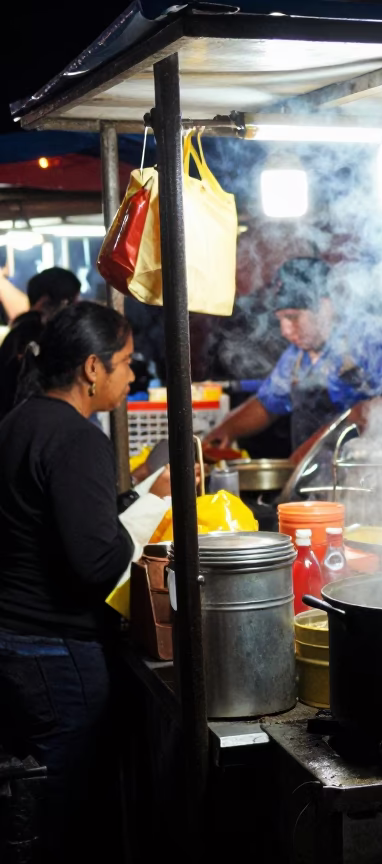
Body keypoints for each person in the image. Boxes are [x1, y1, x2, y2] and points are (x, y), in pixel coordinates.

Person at [0, 303, 172, 859]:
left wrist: (136, 499)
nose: (131, 376)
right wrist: (149, 508)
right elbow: (96, 563)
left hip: (15, 643)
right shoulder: (77, 438)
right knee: (62, 811)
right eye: (124, 363)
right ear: (92, 368)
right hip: (57, 655)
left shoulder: (18, 421)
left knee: (29, 802)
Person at [205, 257, 382, 460]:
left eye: (293, 317)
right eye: (281, 319)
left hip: (365, 473)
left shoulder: (368, 339)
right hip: (312, 479)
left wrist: (319, 445)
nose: (285, 330)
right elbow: (267, 403)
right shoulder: (297, 355)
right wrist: (226, 430)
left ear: (325, 307)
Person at [0, 267, 82, 420]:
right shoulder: (37, 333)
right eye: (70, 302)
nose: (72, 311)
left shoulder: (18, 331)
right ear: (45, 301)